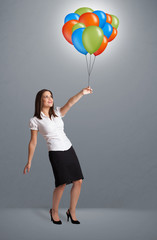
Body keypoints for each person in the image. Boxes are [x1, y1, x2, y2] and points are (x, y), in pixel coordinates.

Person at [23, 86, 93, 225]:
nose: (50, 99)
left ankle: (71, 211)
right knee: (61, 184)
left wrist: (82, 93)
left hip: (69, 148)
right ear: (40, 100)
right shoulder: (35, 120)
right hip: (55, 152)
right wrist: (29, 161)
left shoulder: (57, 112)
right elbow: (33, 142)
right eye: (46, 96)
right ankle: (54, 211)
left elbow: (70, 102)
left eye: (51, 96)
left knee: (78, 181)